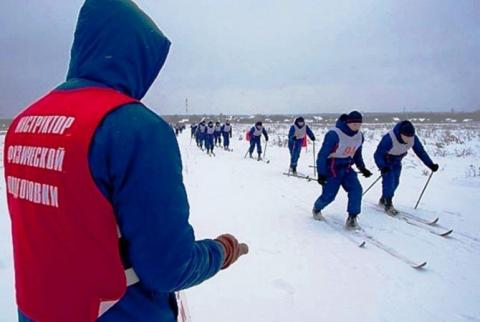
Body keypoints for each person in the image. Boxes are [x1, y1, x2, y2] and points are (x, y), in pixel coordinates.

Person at [3, 1, 248, 321]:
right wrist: (222, 251)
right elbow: (169, 267)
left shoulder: (22, 124)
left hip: (36, 310)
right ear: (139, 57)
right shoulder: (136, 129)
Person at [312, 111, 373, 229]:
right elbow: (322, 155)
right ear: (347, 123)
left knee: (356, 189)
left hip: (346, 168)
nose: (356, 126)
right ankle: (317, 209)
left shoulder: (359, 136)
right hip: (332, 168)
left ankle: (352, 218)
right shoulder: (334, 134)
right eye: (354, 124)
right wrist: (321, 174)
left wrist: (362, 168)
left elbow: (357, 154)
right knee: (329, 196)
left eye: (359, 124)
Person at [374, 120, 439, 214]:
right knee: (389, 180)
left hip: (397, 161)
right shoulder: (389, 139)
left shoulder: (413, 138)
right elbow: (378, 155)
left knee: (395, 182)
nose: (409, 139)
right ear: (401, 134)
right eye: (406, 137)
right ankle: (388, 204)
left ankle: (384, 199)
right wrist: (382, 166)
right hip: (386, 161)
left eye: (411, 136)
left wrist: (430, 164)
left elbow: (420, 152)